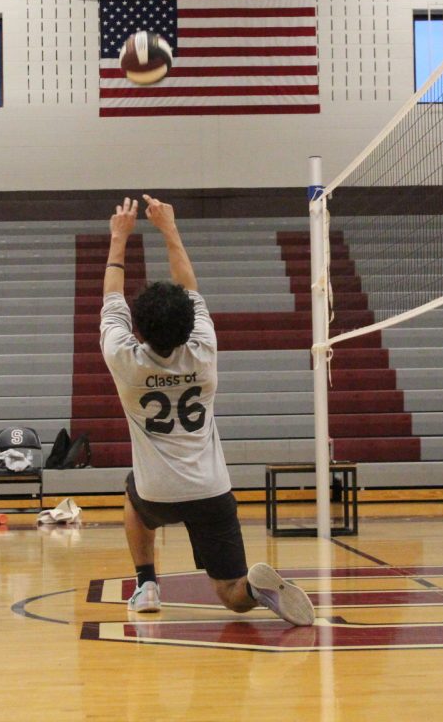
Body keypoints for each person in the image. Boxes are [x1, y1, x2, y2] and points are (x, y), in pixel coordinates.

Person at [101, 195, 314, 626]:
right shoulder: (204, 352)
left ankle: (146, 583)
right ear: (188, 326)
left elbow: (111, 296)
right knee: (231, 596)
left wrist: (119, 236)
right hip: (212, 491)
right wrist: (169, 228)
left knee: (132, 493)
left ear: (139, 328)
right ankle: (254, 589)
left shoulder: (124, 359)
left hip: (156, 493)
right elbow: (191, 287)